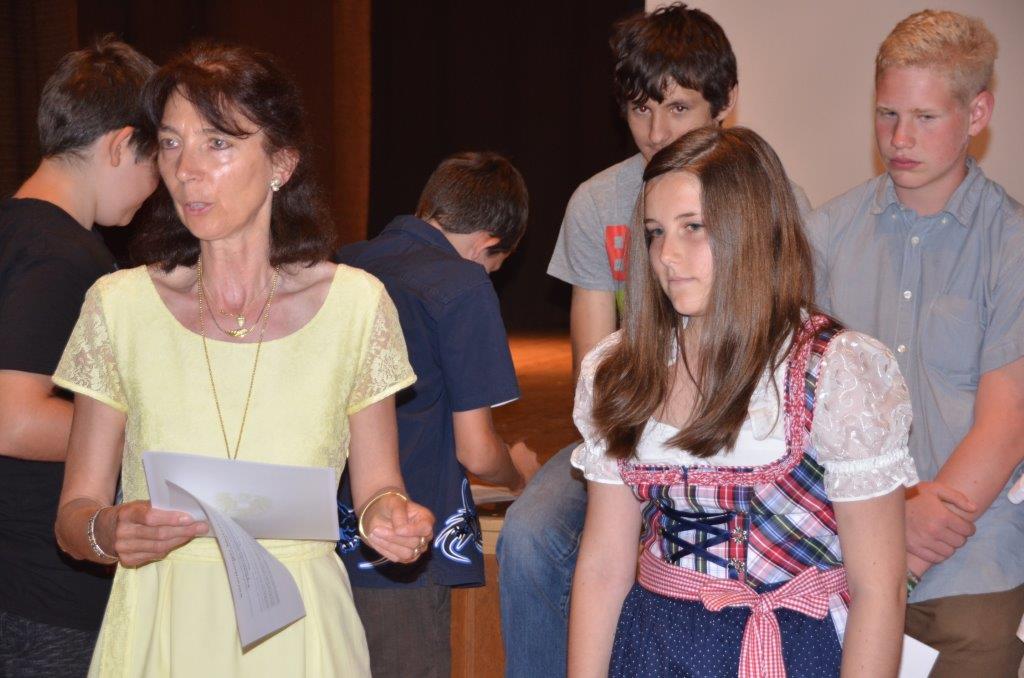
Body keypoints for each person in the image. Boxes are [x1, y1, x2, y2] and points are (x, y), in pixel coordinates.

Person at [51, 43, 434, 677]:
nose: (187, 170)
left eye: (218, 143)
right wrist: (107, 530)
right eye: (171, 144)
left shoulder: (355, 306)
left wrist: (390, 519)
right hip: (161, 622)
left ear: (281, 162)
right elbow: (74, 516)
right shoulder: (118, 308)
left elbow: (378, 489)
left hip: (301, 625)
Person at [497, 5, 810, 675]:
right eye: (641, 110)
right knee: (527, 534)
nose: (657, 131)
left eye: (678, 108)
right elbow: (593, 367)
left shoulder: (774, 200)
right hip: (631, 427)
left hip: (751, 435)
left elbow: (797, 354)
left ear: (725, 103)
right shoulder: (596, 201)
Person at [569, 126, 916, 677]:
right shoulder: (622, 368)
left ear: (752, 231)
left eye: (693, 227)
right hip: (654, 651)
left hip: (786, 650)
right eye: (655, 233)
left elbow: (879, 589)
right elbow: (604, 567)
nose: (667, 255)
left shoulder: (834, 371)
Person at [806, 10, 1024, 676]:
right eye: (887, 114)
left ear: (977, 113)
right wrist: (889, 520)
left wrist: (914, 536)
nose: (900, 139)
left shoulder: (1012, 246)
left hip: (969, 559)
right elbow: (797, 406)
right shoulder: (826, 233)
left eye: (925, 118)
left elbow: (1007, 425)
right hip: (839, 551)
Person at [335, 151, 540, 678]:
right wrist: (518, 475)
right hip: (404, 538)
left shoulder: (343, 263)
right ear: (488, 243)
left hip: (324, 534)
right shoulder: (463, 283)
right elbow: (476, 450)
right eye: (496, 264)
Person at [0, 37, 157, 677]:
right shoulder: (63, 253)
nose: (156, 190)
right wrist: (150, 429)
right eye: (155, 164)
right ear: (120, 146)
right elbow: (14, 419)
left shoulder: (13, 230)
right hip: (44, 589)